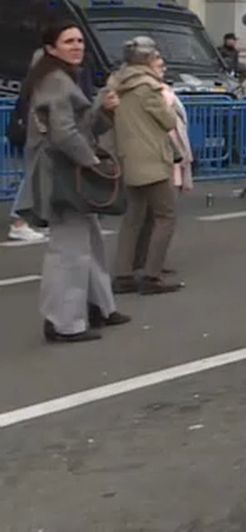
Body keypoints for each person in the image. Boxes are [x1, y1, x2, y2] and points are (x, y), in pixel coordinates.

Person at [14, 20, 128, 342]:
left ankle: (98, 306)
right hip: (61, 174)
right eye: (69, 41)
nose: (77, 46)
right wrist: (92, 162)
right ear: (51, 48)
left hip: (66, 171)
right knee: (69, 250)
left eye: (79, 40)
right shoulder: (55, 81)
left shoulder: (61, 78)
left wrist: (103, 110)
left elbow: (81, 126)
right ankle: (63, 322)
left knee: (88, 241)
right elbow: (64, 133)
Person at [106, 37, 184, 295]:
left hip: (128, 156)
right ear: (148, 60)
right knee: (165, 216)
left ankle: (123, 273)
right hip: (152, 157)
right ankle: (152, 274)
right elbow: (168, 120)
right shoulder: (149, 88)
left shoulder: (116, 83)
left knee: (133, 217)